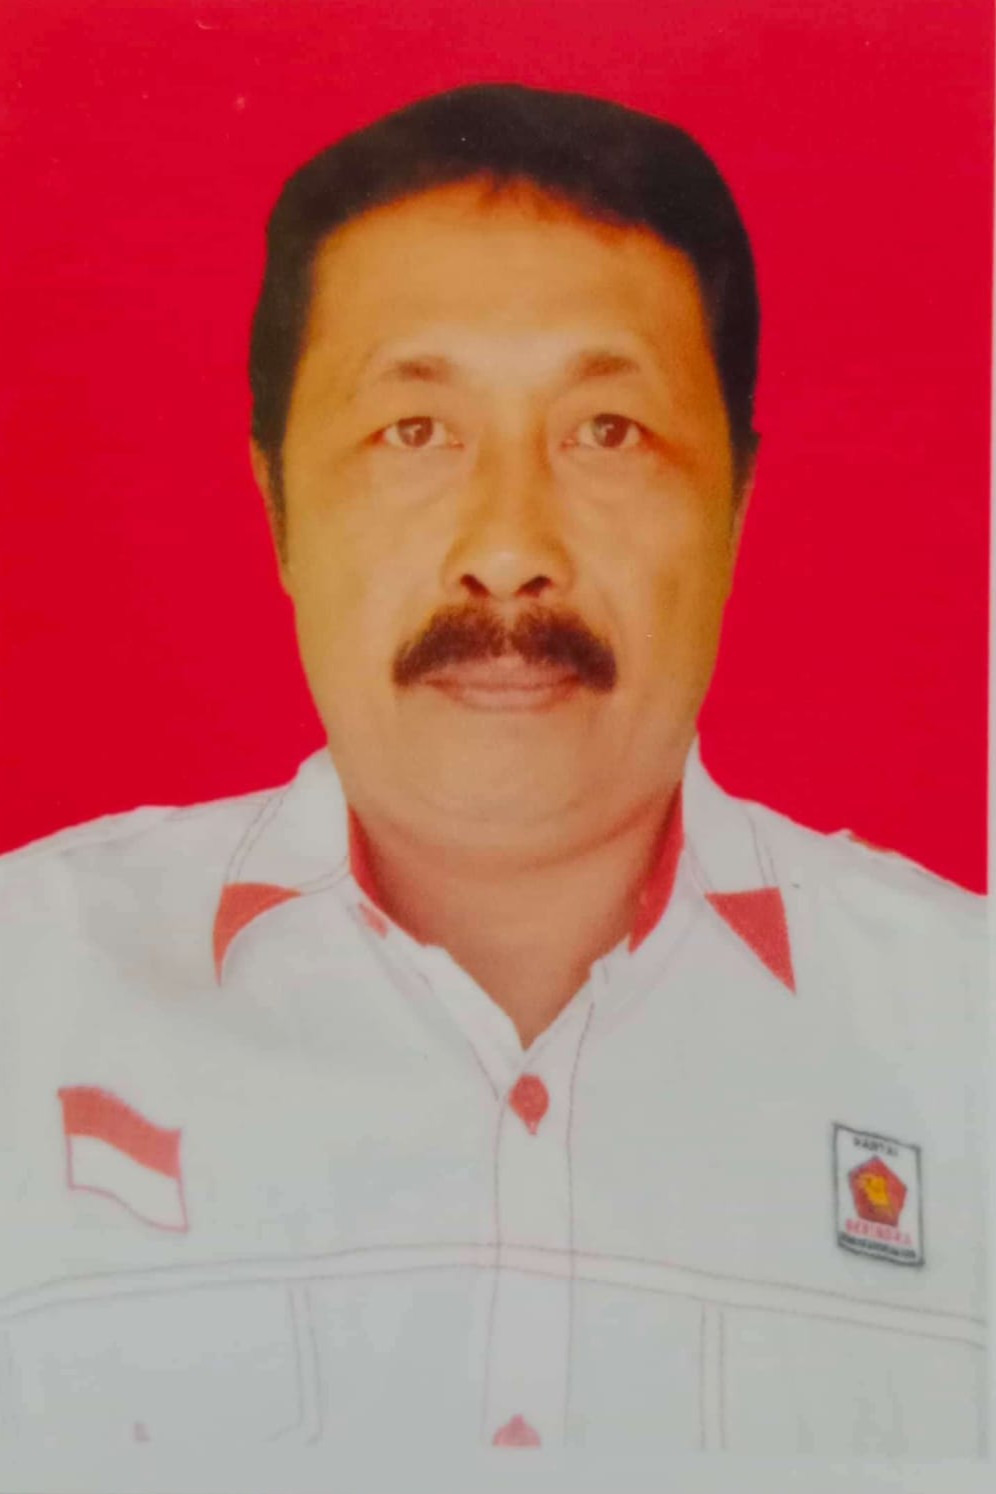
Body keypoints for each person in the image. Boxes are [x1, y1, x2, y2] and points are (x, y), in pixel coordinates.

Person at [0, 84, 985, 1457]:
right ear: (276, 505)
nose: (510, 550)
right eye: (416, 432)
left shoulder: (964, 1033)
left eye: (607, 431)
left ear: (739, 505)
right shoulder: (29, 993)